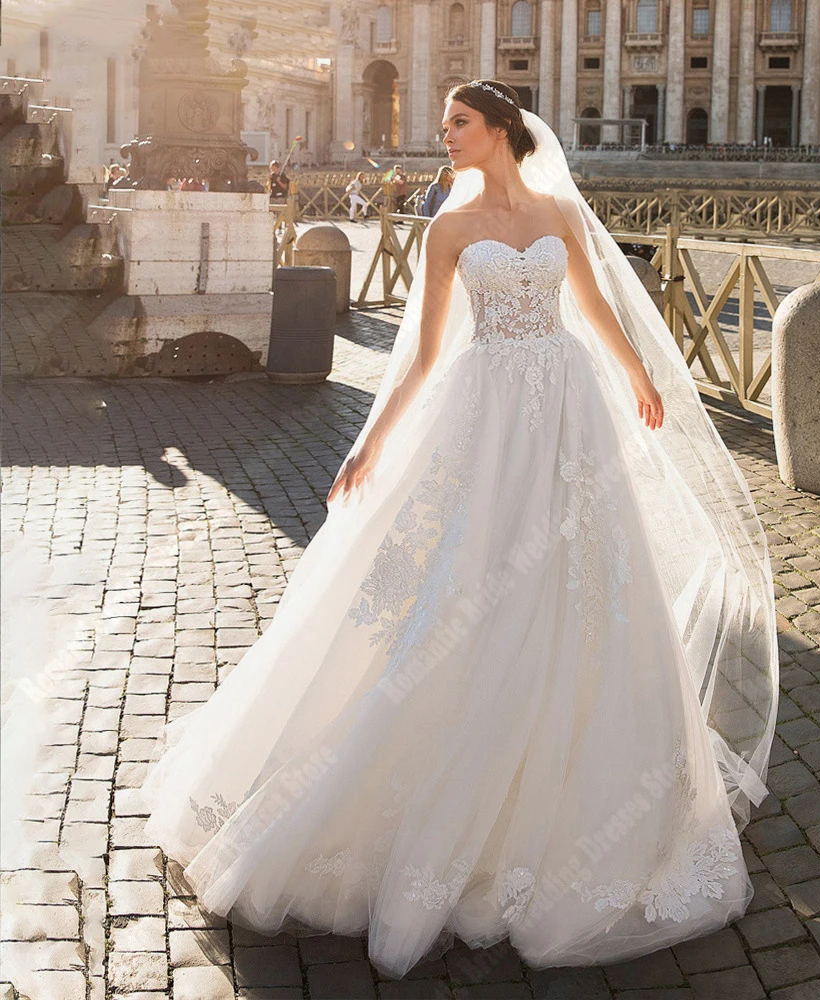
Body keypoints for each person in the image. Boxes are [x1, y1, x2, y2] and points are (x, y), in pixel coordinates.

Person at [140, 79, 779, 981]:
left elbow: (592, 308)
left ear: (503, 130)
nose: (443, 137)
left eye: (459, 124)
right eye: (443, 126)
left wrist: (638, 375)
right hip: (484, 421)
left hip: (567, 410)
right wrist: (369, 445)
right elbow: (425, 353)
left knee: (584, 582)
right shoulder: (446, 227)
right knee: (466, 587)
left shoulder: (559, 209)